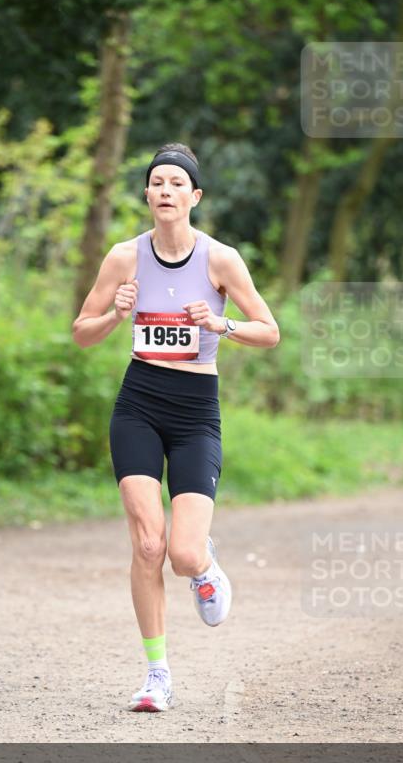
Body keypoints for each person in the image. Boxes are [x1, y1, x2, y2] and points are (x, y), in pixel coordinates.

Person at [72, 143, 280, 712]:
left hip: (195, 414)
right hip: (138, 404)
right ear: (147, 194)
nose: (166, 190)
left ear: (195, 196)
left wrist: (221, 323)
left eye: (176, 183)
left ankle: (204, 565)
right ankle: (156, 674)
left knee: (182, 555)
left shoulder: (221, 260)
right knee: (148, 543)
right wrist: (116, 315)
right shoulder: (124, 257)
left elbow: (269, 331)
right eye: (157, 182)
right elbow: (82, 331)